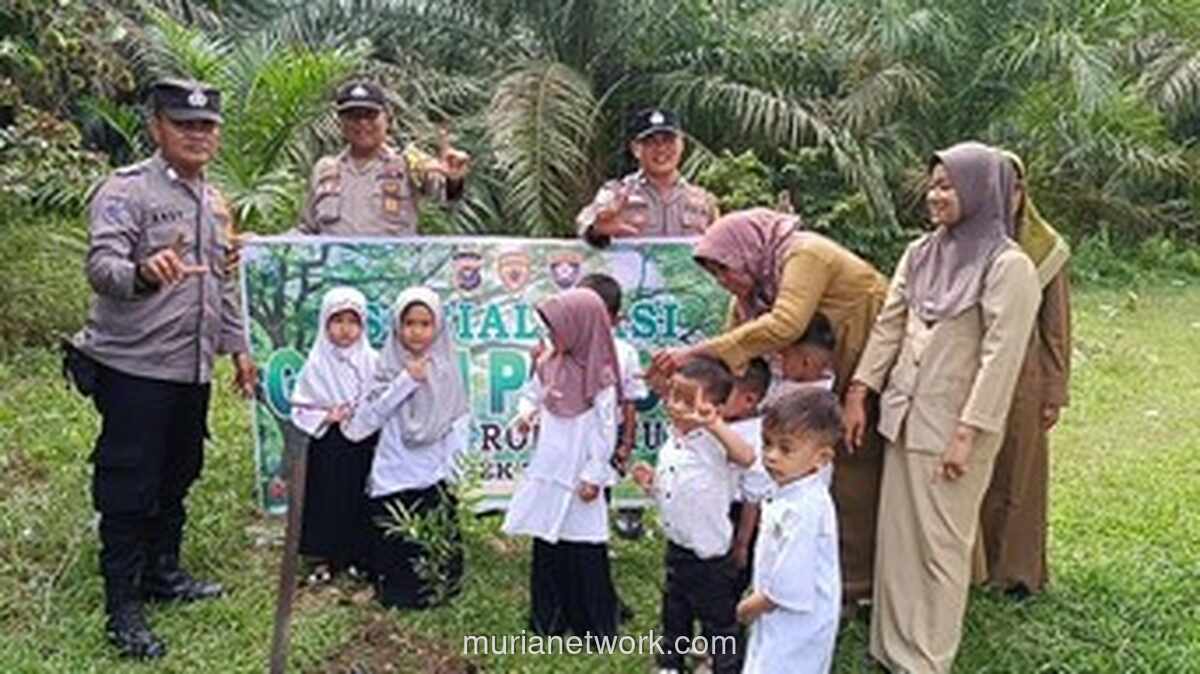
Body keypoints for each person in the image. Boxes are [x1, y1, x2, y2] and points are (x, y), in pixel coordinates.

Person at [66, 78, 256, 659]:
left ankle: (162, 571)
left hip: (190, 367)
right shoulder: (126, 192)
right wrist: (147, 271)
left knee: (180, 468)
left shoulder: (216, 201)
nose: (198, 135)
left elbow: (222, 283)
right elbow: (102, 268)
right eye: (185, 124)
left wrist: (239, 349)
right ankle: (123, 603)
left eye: (207, 126)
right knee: (129, 479)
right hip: (135, 366)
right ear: (156, 128)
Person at [845, 142, 1041, 674]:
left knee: (938, 547)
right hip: (906, 416)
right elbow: (890, 325)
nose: (935, 195)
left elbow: (1000, 360)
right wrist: (861, 390)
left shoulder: (1009, 267)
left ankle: (926, 659)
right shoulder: (921, 252)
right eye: (933, 185)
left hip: (956, 427)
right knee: (899, 541)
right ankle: (889, 649)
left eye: (948, 185)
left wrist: (968, 434)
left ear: (981, 191)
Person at [651, 207, 889, 607]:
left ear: (748, 250)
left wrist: (693, 350)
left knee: (856, 468)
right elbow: (734, 358)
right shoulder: (749, 299)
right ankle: (806, 581)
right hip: (822, 382)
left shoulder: (804, 253)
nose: (724, 282)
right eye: (715, 275)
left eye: (726, 270)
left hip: (866, 353)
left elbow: (786, 324)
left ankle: (857, 587)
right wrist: (682, 380)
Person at [501, 288, 624, 637]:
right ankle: (549, 622)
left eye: (557, 328)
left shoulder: (600, 378)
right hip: (550, 470)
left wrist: (594, 474)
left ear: (581, 327)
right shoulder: (549, 364)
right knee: (548, 542)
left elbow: (604, 431)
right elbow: (531, 395)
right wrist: (525, 415)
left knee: (583, 548)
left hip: (580, 476)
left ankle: (592, 626)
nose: (552, 336)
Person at [979, 149, 1073, 598]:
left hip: (1023, 376)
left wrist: (1053, 390)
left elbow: (1056, 327)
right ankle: (973, 568)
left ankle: (1015, 572)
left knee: (1019, 473)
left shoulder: (1044, 248)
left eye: (1015, 187)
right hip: (970, 370)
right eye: (999, 185)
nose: (1008, 196)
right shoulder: (962, 238)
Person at [342, 287, 469, 609]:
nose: (417, 331)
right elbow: (367, 420)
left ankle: (440, 590)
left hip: (432, 472)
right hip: (395, 469)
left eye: (425, 324)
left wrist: (455, 471)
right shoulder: (385, 365)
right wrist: (405, 382)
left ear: (437, 327)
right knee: (395, 542)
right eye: (410, 323)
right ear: (398, 326)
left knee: (434, 539)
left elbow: (456, 422)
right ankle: (394, 592)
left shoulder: (447, 367)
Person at [631, 356, 755, 674]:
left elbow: (747, 457)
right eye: (673, 395)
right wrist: (652, 485)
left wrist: (712, 422)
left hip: (710, 556)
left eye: (688, 401)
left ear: (717, 407)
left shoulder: (717, 442)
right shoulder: (673, 440)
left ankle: (726, 666)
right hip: (677, 547)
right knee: (674, 611)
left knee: (718, 621)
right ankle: (670, 664)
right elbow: (677, 490)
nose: (674, 405)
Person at [737, 388, 843, 674]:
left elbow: (787, 585)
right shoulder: (791, 491)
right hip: (783, 618)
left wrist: (748, 608)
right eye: (767, 444)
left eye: (785, 448)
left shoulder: (805, 509)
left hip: (794, 622)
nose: (771, 456)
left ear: (821, 458)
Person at [289, 287, 380, 585]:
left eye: (353, 321)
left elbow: (381, 398)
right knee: (326, 497)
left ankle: (358, 556)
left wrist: (364, 415)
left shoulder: (372, 361)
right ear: (325, 323)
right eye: (337, 320)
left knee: (359, 497)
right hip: (329, 443)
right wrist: (327, 416)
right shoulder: (316, 364)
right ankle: (323, 557)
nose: (345, 329)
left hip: (363, 441)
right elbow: (301, 407)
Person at [297, 79, 471, 235]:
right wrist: (273, 247)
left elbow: (446, 196)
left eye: (370, 115)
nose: (362, 123)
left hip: (393, 269)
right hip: (334, 269)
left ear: (386, 118)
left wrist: (454, 178)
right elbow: (308, 229)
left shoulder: (409, 163)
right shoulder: (325, 170)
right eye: (353, 116)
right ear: (340, 122)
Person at [576, 108, 719, 247]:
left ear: (682, 145)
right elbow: (584, 223)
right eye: (650, 142)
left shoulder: (704, 202)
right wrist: (597, 230)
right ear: (636, 149)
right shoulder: (616, 194)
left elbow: (721, 247)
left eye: (668, 140)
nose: (661, 149)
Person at [576, 272, 648, 542]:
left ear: (615, 319)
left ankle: (597, 539)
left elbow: (630, 400)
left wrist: (626, 442)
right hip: (572, 434)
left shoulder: (625, 352)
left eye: (599, 316)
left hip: (606, 434)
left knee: (599, 485)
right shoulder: (563, 348)